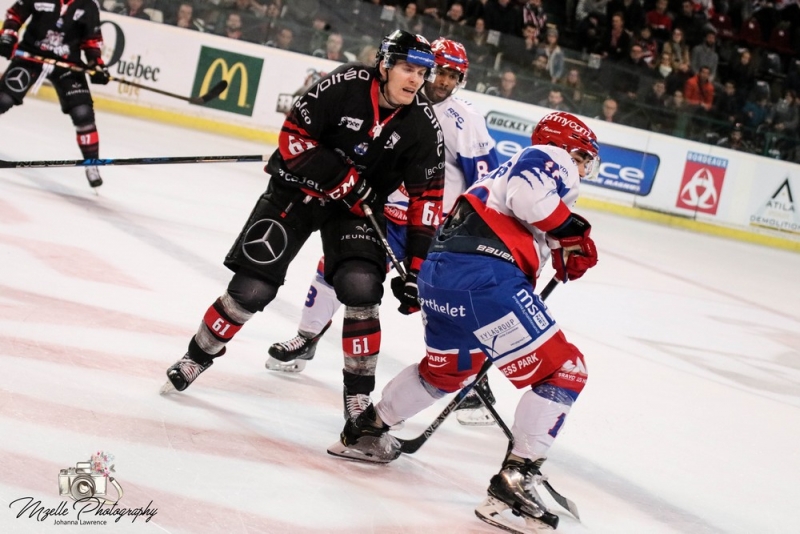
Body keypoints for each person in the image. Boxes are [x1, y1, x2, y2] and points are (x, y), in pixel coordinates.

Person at [327, 111, 600, 533]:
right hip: (485, 279)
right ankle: (516, 478)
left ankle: (367, 430)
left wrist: (563, 249)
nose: (582, 168)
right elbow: (530, 200)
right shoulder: (550, 155)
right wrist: (573, 230)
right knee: (564, 371)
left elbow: (525, 217)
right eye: (583, 157)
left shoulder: (502, 174)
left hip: (441, 277)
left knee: (448, 370)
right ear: (566, 146)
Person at [162, 31, 445, 428]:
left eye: (422, 72)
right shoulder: (345, 84)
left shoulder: (423, 125)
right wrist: (343, 179)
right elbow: (292, 140)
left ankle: (358, 398)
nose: (415, 80)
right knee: (251, 289)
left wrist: (417, 269)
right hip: (297, 192)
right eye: (407, 69)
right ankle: (197, 356)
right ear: (384, 65)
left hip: (354, 210)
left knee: (362, 289)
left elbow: (427, 202)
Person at [266, 37, 502, 426]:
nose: (442, 81)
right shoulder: (395, 101)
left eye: (452, 75)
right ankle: (307, 338)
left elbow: (484, 181)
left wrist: (469, 230)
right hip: (384, 215)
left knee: (440, 302)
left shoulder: (466, 120)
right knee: (334, 269)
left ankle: (475, 385)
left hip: (434, 229)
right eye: (438, 70)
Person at [0, 0, 110, 188]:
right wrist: (8, 36)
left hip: (67, 64)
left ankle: (92, 165)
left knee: (82, 112)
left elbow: (91, 41)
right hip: (31, 56)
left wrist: (96, 64)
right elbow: (15, 15)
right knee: (3, 99)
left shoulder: (88, 6)